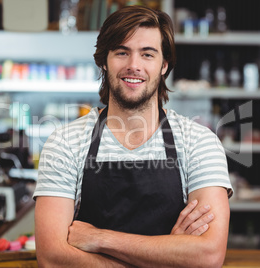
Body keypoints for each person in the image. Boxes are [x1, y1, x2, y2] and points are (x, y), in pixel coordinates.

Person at [33, 5, 233, 267]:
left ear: (164, 65)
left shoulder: (198, 142)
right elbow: (52, 257)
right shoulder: (65, 143)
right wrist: (169, 255)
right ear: (104, 61)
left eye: (147, 54)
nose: (133, 65)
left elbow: (208, 255)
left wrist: (100, 238)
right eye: (121, 52)